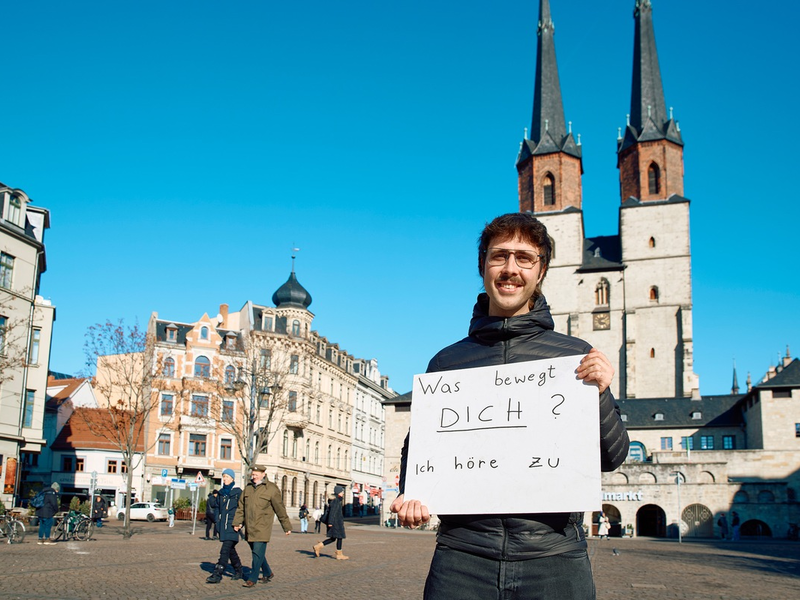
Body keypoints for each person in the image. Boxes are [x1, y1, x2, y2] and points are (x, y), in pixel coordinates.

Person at [390, 213, 629, 600]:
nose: (510, 269)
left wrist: (600, 393)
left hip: (554, 560)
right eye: (499, 256)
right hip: (462, 560)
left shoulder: (575, 357)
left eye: (524, 258)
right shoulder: (446, 363)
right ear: (483, 265)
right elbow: (418, 447)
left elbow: (612, 457)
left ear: (541, 271)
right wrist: (410, 493)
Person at [233, 465, 292, 588]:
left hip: (263, 527)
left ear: (263, 474)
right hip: (249, 527)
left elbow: (280, 508)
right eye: (252, 474)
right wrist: (237, 522)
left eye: (256, 475)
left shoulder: (271, 489)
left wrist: (286, 526)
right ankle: (267, 572)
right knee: (257, 552)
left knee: (256, 553)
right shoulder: (248, 488)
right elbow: (241, 507)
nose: (253, 477)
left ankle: (252, 578)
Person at [206, 469, 245, 584]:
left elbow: (243, 509)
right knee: (230, 550)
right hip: (222, 526)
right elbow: (217, 508)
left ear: (232, 478)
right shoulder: (221, 493)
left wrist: (240, 523)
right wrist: (217, 521)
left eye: (227, 477)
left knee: (224, 550)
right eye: (224, 477)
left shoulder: (238, 493)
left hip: (233, 526)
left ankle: (218, 573)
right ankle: (238, 570)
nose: (225, 479)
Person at [312, 485, 348, 560]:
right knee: (339, 537)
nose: (343, 493)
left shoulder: (336, 500)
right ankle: (339, 554)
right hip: (336, 523)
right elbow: (332, 512)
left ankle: (318, 546)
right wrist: (330, 522)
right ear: (338, 493)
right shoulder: (336, 501)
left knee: (333, 538)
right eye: (342, 492)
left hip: (336, 522)